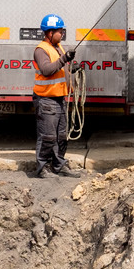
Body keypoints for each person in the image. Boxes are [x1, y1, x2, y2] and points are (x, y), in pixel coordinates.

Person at [32, 14, 80, 179]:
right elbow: (46, 70)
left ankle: (59, 165)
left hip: (59, 98)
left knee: (60, 135)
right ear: (49, 33)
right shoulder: (41, 50)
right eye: (60, 31)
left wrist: (71, 67)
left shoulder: (58, 47)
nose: (62, 34)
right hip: (46, 99)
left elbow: (59, 69)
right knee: (47, 136)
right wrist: (64, 59)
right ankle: (42, 168)